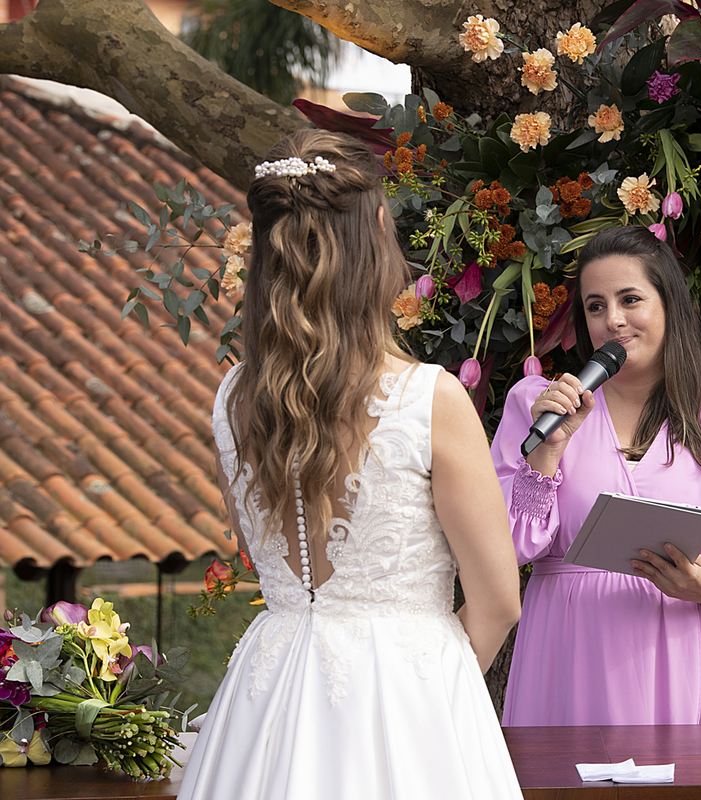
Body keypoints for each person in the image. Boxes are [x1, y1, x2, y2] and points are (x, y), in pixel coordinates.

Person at [179, 130, 524, 800]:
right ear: (374, 236)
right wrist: (431, 699)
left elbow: (262, 556)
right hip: (410, 693)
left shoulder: (234, 400)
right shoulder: (431, 398)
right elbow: (498, 601)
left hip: (268, 694)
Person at [491, 226, 701, 726]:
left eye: (631, 299)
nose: (614, 321)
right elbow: (505, 547)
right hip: (569, 657)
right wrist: (548, 453)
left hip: (687, 654)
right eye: (596, 306)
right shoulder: (540, 406)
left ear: (668, 304)